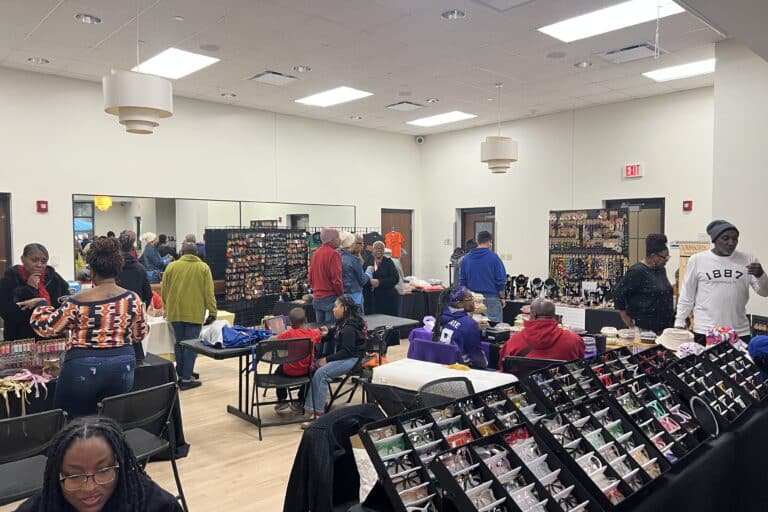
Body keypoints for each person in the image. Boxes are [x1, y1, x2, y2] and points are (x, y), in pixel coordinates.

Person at [22, 238, 148, 417]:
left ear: (92, 271)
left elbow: (46, 327)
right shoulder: (132, 298)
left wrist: (41, 304)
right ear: (118, 268)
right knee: (110, 420)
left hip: (83, 365)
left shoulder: (78, 300)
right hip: (123, 363)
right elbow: (140, 334)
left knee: (72, 420)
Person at [15, 416, 182, 512]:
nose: (89, 488)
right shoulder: (37, 508)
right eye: (74, 476)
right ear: (57, 476)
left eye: (103, 470)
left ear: (119, 466)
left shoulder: (158, 506)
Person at [675, 220, 768, 344]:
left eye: (735, 239)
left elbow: (764, 292)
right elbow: (687, 294)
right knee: (706, 358)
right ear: (714, 239)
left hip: (739, 331)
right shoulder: (697, 260)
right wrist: (679, 321)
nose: (731, 242)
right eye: (725, 238)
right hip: (706, 329)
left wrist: (761, 275)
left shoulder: (748, 259)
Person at [302, 295, 366, 423]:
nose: (333, 309)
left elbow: (346, 351)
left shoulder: (349, 328)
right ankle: (314, 405)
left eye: (336, 306)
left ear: (345, 308)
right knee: (314, 366)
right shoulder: (344, 321)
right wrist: (328, 333)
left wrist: (327, 359)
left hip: (354, 359)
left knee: (322, 373)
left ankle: (318, 414)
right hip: (348, 356)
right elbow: (337, 333)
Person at [161, 242, 217, 390]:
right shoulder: (203, 268)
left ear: (181, 252)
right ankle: (186, 379)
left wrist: (166, 307)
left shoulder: (171, 266)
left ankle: (182, 374)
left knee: (179, 343)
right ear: (196, 253)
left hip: (175, 312)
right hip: (194, 313)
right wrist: (212, 312)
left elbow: (164, 290)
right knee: (191, 345)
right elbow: (209, 292)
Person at [0, 243, 70, 341]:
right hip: (21, 339)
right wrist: (29, 289)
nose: (39, 265)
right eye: (34, 260)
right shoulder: (10, 279)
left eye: (43, 261)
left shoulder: (54, 278)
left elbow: (65, 304)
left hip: (51, 337)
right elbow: (8, 313)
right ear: (23, 259)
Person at [613, 233, 674, 334]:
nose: (666, 261)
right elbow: (619, 294)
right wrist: (626, 319)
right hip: (644, 328)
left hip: (664, 327)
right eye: (665, 258)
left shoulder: (661, 270)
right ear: (653, 256)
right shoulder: (637, 271)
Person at [498, 298, 585, 364]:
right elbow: (580, 364)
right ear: (554, 316)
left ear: (533, 315)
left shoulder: (514, 340)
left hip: (525, 382)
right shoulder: (575, 340)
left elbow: (503, 365)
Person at [273, 307, 323, 413]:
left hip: (288, 371)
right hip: (306, 370)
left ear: (290, 322)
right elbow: (321, 335)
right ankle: (301, 400)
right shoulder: (312, 333)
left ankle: (281, 399)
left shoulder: (287, 334)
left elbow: (274, 340)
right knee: (314, 374)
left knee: (277, 372)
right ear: (306, 320)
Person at [432, 285, 488, 369]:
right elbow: (476, 356)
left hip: (441, 364)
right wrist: (485, 365)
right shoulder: (469, 324)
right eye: (470, 299)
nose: (473, 302)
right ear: (459, 303)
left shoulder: (442, 316)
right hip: (460, 368)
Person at [459, 231, 506, 323]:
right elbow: (500, 281)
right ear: (489, 241)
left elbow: (462, 281)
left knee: (473, 326)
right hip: (491, 299)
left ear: (477, 241)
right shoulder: (494, 258)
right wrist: (502, 298)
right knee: (493, 328)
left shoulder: (466, 259)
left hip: (472, 299)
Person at [308, 227, 343, 323]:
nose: (340, 240)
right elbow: (336, 279)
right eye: (337, 237)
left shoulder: (316, 254)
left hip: (317, 297)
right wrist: (341, 295)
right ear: (331, 240)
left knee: (320, 328)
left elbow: (310, 277)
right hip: (330, 297)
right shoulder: (334, 254)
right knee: (331, 328)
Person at [338, 232, 373, 313]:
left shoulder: (337, 256)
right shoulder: (353, 259)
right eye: (358, 243)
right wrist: (369, 272)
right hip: (355, 296)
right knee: (356, 318)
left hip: (341, 296)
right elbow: (362, 280)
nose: (362, 245)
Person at [116, 230, 152, 306]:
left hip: (116, 307)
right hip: (135, 307)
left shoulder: (112, 268)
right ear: (132, 247)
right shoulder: (140, 268)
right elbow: (148, 295)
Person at [369, 241, 400, 316]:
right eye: (376, 248)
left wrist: (379, 282)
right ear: (373, 250)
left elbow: (395, 278)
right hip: (373, 299)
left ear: (384, 251)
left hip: (388, 298)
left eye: (381, 248)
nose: (379, 250)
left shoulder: (389, 262)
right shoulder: (368, 261)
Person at [384, 247, 406, 315]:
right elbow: (402, 275)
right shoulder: (396, 261)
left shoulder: (381, 262)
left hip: (390, 291)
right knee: (398, 311)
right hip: (398, 289)